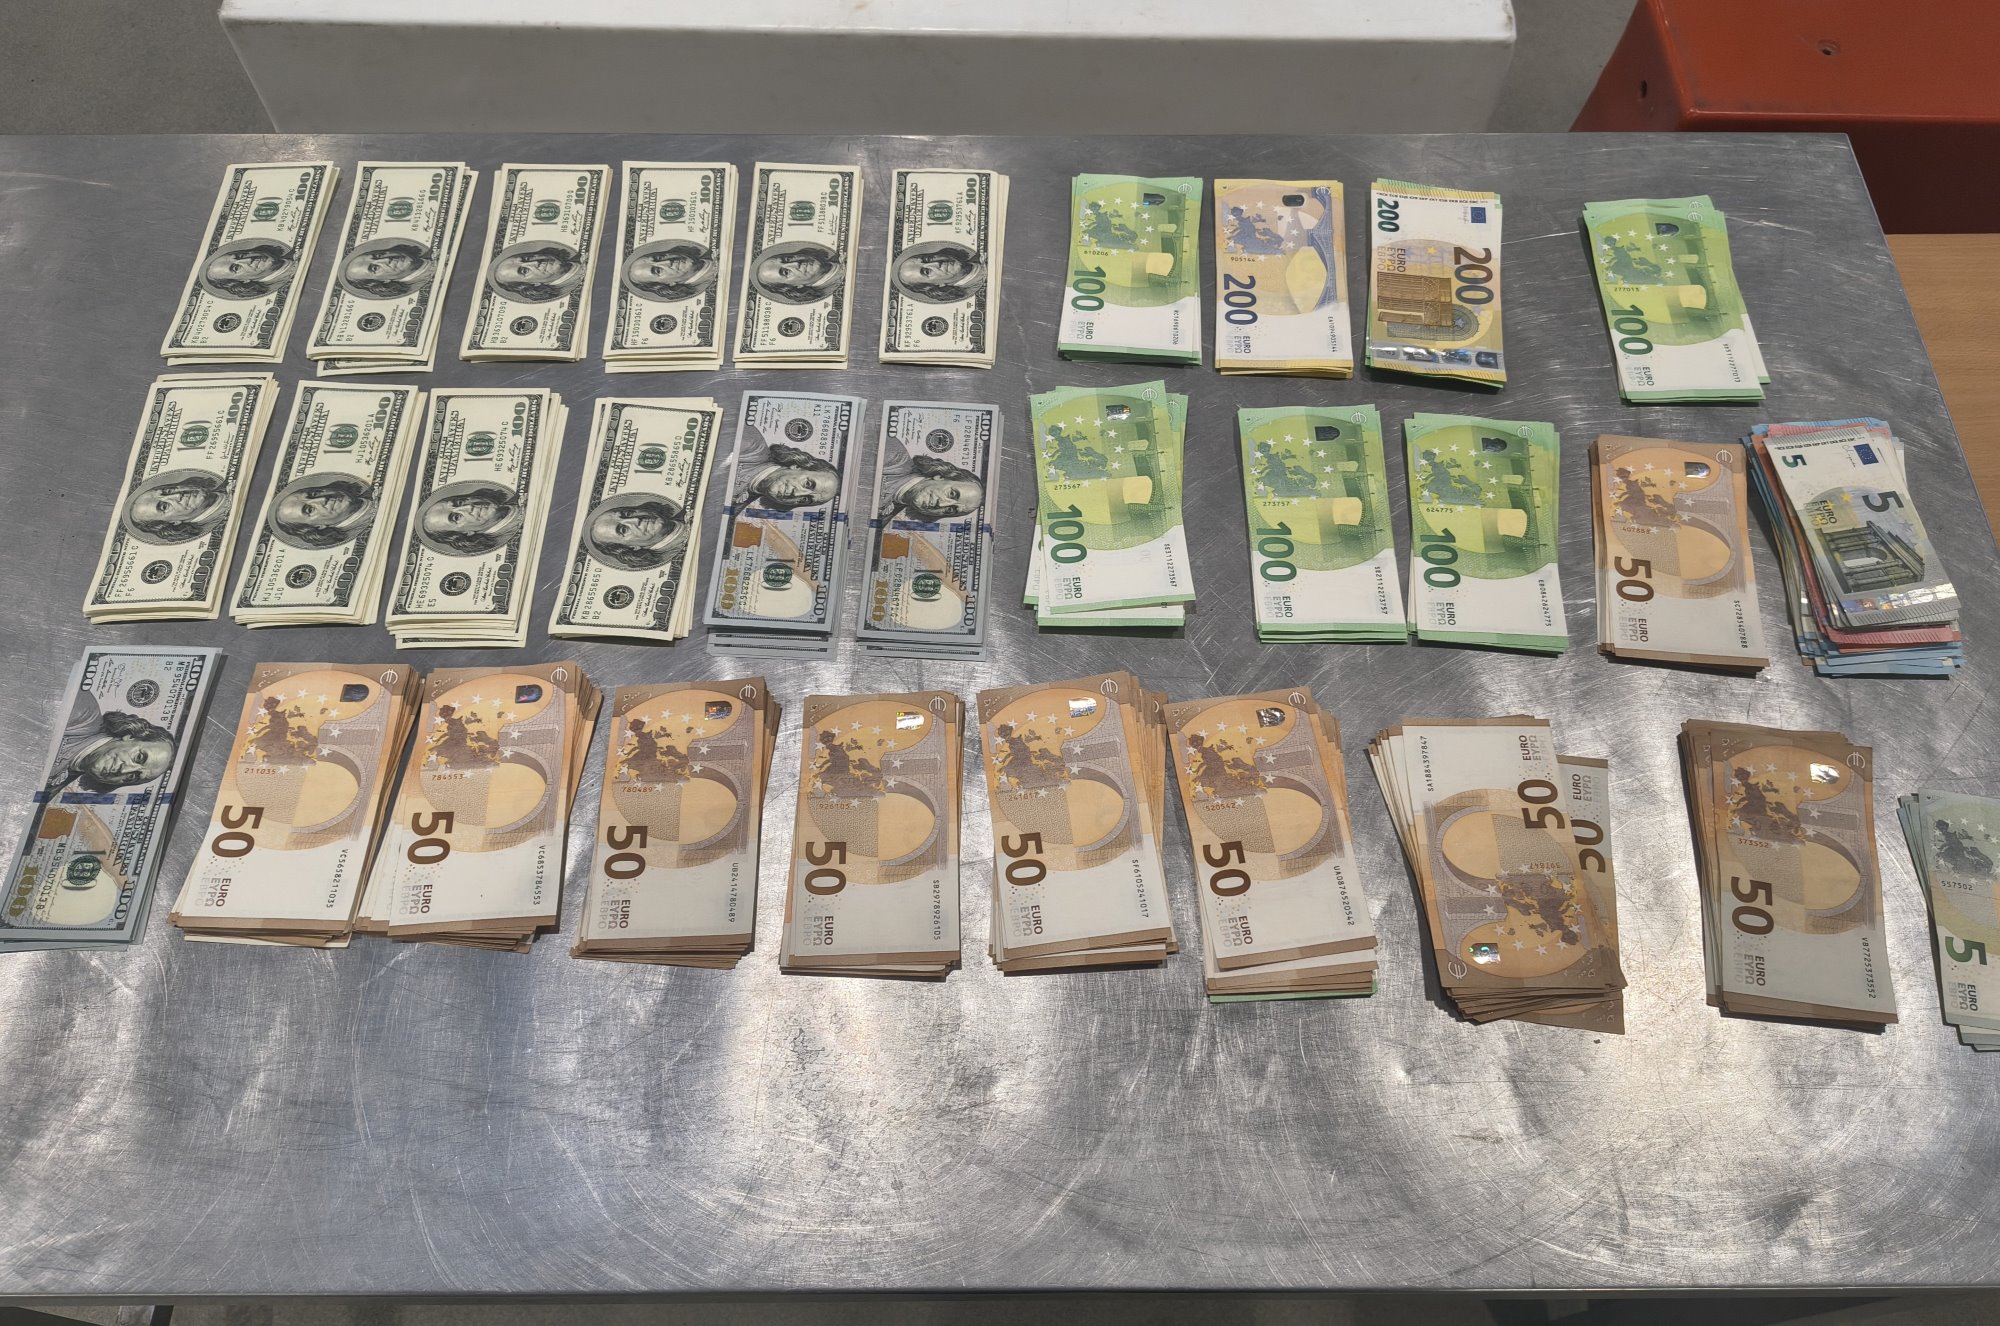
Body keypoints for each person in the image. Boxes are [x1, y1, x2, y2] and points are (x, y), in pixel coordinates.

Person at [41, 689, 176, 800]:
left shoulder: (52, 790)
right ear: (130, 736)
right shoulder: (82, 712)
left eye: (133, 777)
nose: (124, 771)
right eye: (138, 757)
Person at [874, 430, 983, 522]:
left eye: (950, 510)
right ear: (940, 477)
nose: (941, 504)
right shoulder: (894, 456)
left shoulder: (883, 520)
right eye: (952, 494)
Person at [728, 423, 841, 512]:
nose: (797, 494)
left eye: (805, 499)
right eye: (808, 484)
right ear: (797, 466)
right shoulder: (752, 444)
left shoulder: (734, 511)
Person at [268, 472, 376, 550]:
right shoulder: (364, 539)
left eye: (314, 494)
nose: (323, 499)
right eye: (310, 509)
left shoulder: (377, 486)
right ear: (318, 526)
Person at [414, 480, 524, 556]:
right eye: (457, 517)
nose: (468, 507)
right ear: (466, 533)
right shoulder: (513, 543)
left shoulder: (521, 494)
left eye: (458, 502)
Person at [583, 495, 688, 571]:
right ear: (632, 547)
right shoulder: (677, 562)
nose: (636, 520)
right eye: (623, 530)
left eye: (627, 514)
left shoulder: (689, 508)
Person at [122, 471, 230, 543]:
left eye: (167, 491)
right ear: (173, 522)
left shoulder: (229, 481)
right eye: (164, 506)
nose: (177, 495)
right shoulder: (220, 530)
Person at [746, 241, 845, 305]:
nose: (795, 263)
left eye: (787, 259)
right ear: (795, 286)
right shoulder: (836, 294)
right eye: (786, 272)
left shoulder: (842, 251)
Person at [889, 241, 985, 304]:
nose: (936, 263)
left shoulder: (983, 250)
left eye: (927, 259)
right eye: (927, 271)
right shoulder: (978, 293)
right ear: (936, 285)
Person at [337, 239, 435, 300]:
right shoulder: (425, 288)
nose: (386, 260)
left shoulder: (434, 249)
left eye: (378, 255)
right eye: (375, 268)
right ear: (383, 281)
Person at [622, 239, 718, 302]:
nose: (667, 262)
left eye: (658, 258)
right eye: (658, 270)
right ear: (668, 284)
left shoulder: (717, 246)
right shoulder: (710, 290)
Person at [198, 239, 297, 299]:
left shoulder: (297, 249)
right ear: (243, 281)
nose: (248, 259)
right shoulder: (285, 288)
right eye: (236, 268)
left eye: (240, 256)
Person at [488, 241, 584, 303]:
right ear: (533, 284)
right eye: (524, 271)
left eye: (526, 258)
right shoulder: (573, 294)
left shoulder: (582, 254)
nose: (535, 262)